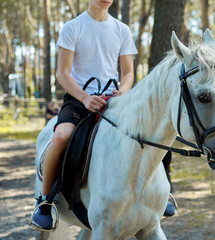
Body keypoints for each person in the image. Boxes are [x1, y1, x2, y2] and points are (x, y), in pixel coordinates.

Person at [30, 0, 174, 231]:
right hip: (78, 100)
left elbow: (128, 73)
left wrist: (124, 90)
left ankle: (162, 195)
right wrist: (85, 97)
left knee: (154, 132)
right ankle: (45, 202)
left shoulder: (121, 30)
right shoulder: (72, 27)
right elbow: (63, 74)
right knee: (61, 137)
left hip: (113, 100)